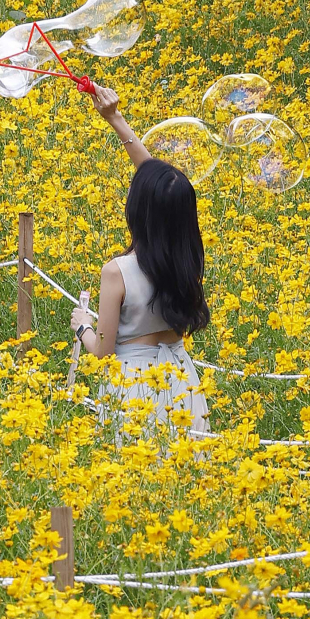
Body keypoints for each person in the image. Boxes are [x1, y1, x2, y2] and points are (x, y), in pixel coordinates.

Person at [70, 83, 210, 441]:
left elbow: (102, 353)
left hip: (135, 391)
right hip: (182, 382)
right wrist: (114, 118)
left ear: (138, 210)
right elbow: (163, 189)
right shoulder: (187, 258)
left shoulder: (117, 272)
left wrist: (83, 326)